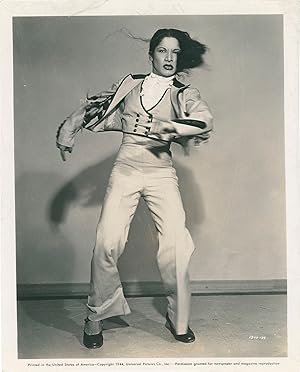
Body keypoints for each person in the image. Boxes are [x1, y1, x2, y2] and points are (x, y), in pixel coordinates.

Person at [56, 28, 213, 349]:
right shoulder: (129, 84)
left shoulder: (185, 92)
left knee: (177, 245)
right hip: (126, 168)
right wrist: (67, 131)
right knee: (107, 242)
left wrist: (165, 127)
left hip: (161, 171)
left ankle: (178, 318)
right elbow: (96, 109)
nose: (169, 58)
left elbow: (204, 121)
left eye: (174, 52)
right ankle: (94, 317)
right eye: (162, 51)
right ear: (151, 54)